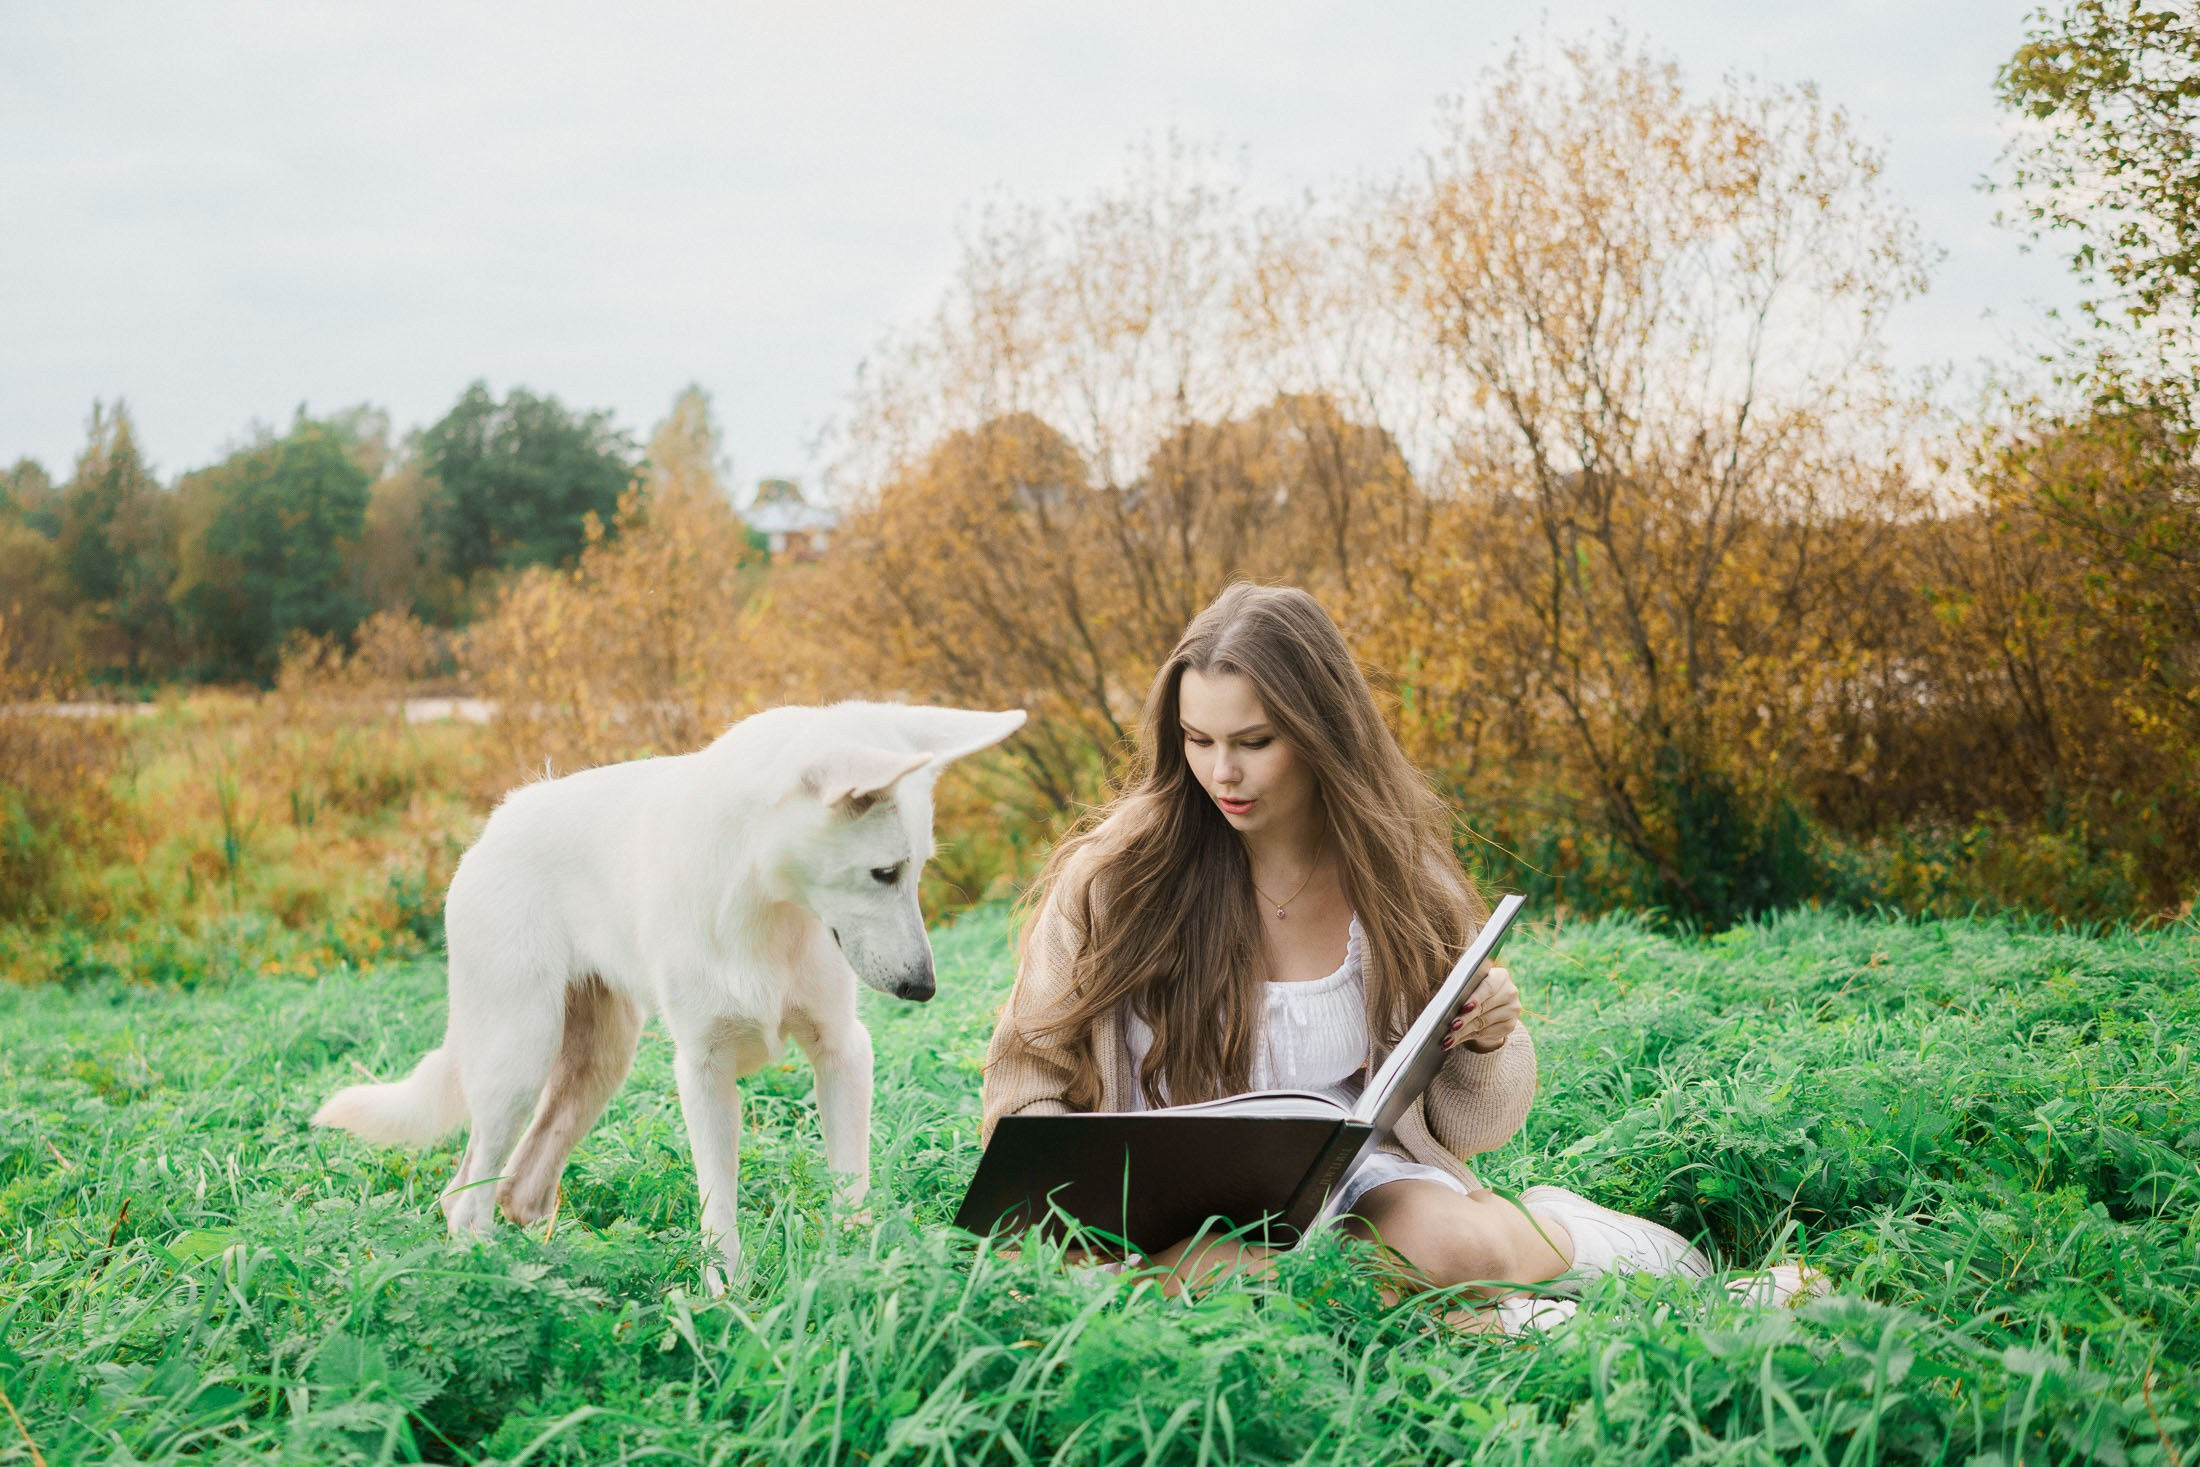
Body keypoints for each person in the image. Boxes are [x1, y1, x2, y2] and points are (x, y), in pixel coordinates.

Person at [979, 584, 1716, 1326]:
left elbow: (1472, 1126)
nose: (1221, 773)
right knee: (1231, 1284)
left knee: (1449, 1247)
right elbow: (1025, 1081)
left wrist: (1489, 1037)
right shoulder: (1113, 879)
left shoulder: (1393, 875)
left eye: (1254, 741)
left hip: (1351, 1195)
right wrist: (1098, 1217)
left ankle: (1562, 1240)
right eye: (1197, 740)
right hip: (1151, 1217)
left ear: (1319, 728)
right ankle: (1510, 1326)